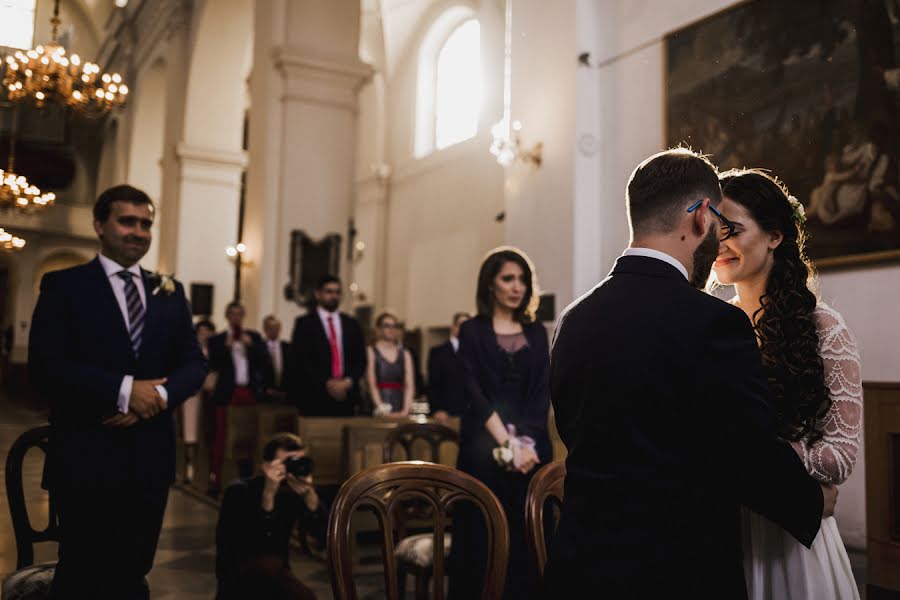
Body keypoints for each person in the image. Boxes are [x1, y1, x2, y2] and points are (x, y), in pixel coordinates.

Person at [540, 148, 836, 598]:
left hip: (580, 570)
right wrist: (814, 503)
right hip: (676, 573)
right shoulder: (712, 323)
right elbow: (748, 454)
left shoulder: (573, 320)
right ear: (701, 217)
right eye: (719, 224)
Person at [28, 184, 207, 600]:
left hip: (149, 458)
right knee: (83, 574)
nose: (139, 231)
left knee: (133, 571)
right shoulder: (65, 286)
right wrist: (124, 391)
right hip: (87, 455)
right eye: (127, 221)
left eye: (146, 223)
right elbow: (45, 368)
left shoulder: (170, 292)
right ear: (99, 225)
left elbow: (195, 364)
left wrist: (156, 400)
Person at [713, 168, 863, 599]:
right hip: (720, 526)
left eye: (733, 230)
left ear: (775, 236)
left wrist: (762, 455)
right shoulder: (713, 326)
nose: (719, 244)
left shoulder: (824, 331)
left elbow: (840, 456)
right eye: (713, 230)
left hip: (792, 536)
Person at [449, 247, 551, 600]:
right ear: (490, 285)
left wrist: (526, 444)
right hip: (483, 449)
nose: (516, 286)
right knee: (481, 543)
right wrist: (506, 443)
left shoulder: (537, 332)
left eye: (523, 279)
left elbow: (540, 394)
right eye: (508, 278)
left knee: (528, 544)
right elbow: (472, 392)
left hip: (531, 452)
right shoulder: (472, 331)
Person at [215, 432, 325, 600]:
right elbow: (246, 548)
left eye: (299, 462)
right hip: (238, 578)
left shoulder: (295, 490)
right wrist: (268, 495)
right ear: (266, 466)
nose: (292, 469)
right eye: (287, 463)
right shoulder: (239, 491)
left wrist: (311, 499)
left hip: (277, 574)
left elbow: (325, 538)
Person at [207, 302, 268, 494]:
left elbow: (265, 361)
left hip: (249, 392)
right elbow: (212, 364)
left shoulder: (254, 337)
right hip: (227, 393)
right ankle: (219, 480)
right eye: (232, 314)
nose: (236, 318)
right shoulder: (217, 340)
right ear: (227, 316)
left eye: (239, 314)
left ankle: (249, 477)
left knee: (250, 436)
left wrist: (250, 346)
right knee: (223, 438)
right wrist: (226, 348)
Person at [288, 275, 366, 416]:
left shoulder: (351, 324)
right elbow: (300, 359)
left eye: (337, 292)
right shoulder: (305, 323)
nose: (334, 296)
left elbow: (361, 358)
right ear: (318, 294)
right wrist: (327, 383)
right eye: (329, 292)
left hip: (347, 395)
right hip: (315, 394)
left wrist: (348, 382)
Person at [181, 319, 216, 484]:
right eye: (202, 331)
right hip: (191, 395)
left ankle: (200, 475)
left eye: (208, 331)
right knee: (189, 432)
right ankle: (185, 470)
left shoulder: (215, 349)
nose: (205, 334)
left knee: (204, 433)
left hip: (208, 397)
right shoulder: (190, 349)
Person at [365, 311, 414, 416]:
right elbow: (371, 384)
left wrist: (405, 410)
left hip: (400, 402)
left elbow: (409, 385)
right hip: (377, 402)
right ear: (379, 329)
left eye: (394, 326)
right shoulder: (371, 351)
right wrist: (381, 409)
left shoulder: (405, 353)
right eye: (387, 326)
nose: (391, 329)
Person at [427, 312, 470, 422]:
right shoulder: (438, 352)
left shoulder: (475, 352)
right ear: (454, 327)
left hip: (469, 413)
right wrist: (437, 409)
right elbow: (433, 384)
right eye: (462, 325)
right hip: (445, 413)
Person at [262, 314, 291, 403]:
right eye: (271, 327)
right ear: (265, 329)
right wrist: (265, 389)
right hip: (265, 394)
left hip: (285, 394)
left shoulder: (288, 347)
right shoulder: (260, 347)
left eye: (277, 328)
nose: (274, 330)